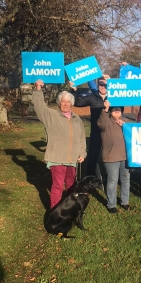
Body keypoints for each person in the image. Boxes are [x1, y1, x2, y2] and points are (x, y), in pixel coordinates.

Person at [32, 80, 86, 208]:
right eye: (63, 101)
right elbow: (39, 107)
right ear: (59, 103)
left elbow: (81, 137)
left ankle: (69, 209)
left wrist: (82, 153)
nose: (66, 104)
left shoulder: (76, 118)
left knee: (71, 185)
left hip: (73, 159)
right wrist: (38, 89)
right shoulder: (51, 116)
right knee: (57, 186)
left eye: (68, 102)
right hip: (57, 158)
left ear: (71, 103)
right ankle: (55, 212)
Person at [70, 76, 108, 180]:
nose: (103, 87)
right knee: (93, 157)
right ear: (98, 85)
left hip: (109, 133)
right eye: (101, 85)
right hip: (96, 132)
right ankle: (89, 179)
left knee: (110, 157)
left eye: (105, 85)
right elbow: (76, 102)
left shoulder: (113, 97)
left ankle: (109, 177)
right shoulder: (92, 97)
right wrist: (74, 90)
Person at [97, 100, 130, 214]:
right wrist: (105, 109)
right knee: (113, 180)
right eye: (114, 109)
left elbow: (135, 131)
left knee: (125, 179)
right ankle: (111, 204)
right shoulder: (106, 121)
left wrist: (125, 125)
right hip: (111, 157)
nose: (117, 111)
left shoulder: (125, 122)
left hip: (125, 156)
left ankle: (125, 202)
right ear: (111, 111)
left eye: (119, 110)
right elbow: (101, 124)